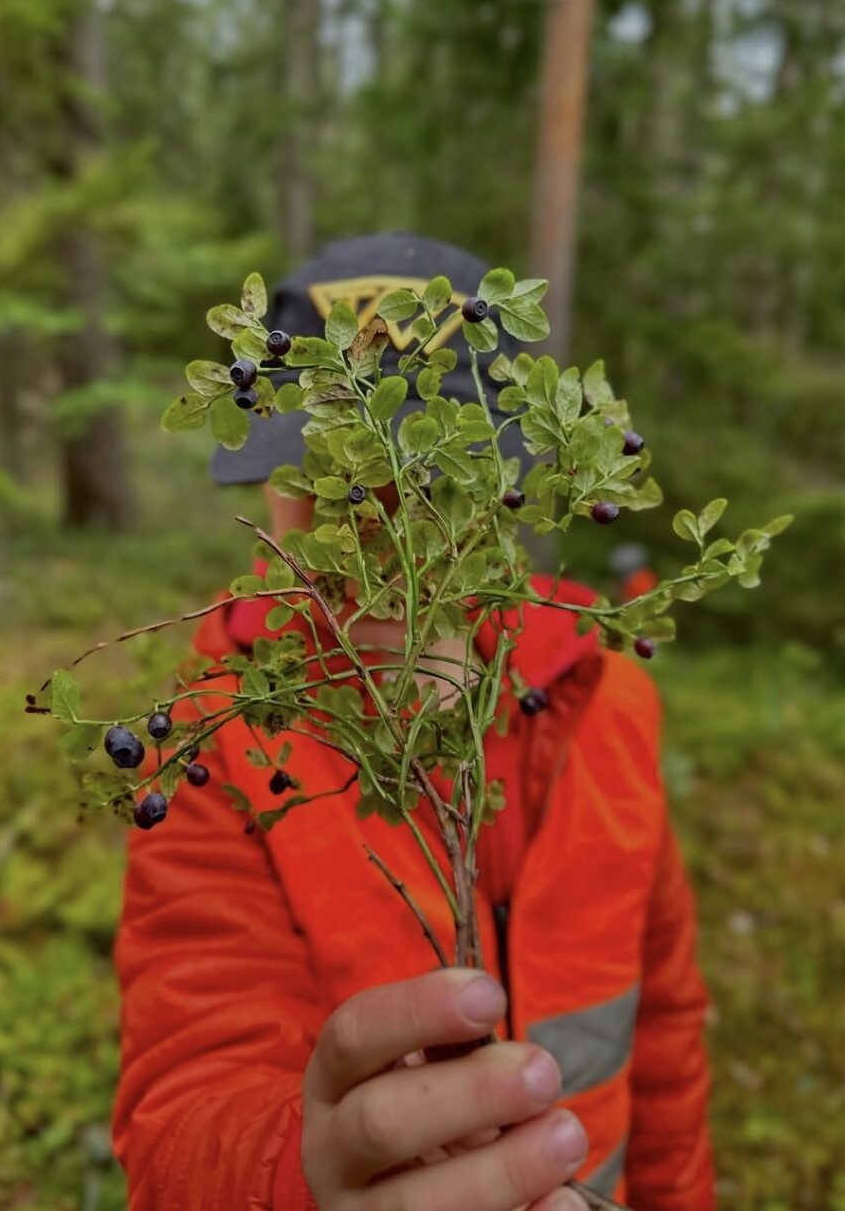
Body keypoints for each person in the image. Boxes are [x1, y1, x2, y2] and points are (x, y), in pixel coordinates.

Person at [111, 234, 715, 1211]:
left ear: (502, 494)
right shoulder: (210, 745)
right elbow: (186, 1097)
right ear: (276, 492)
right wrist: (300, 1175)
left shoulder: (607, 701)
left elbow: (667, 1035)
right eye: (338, 490)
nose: (380, 535)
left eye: (424, 483)